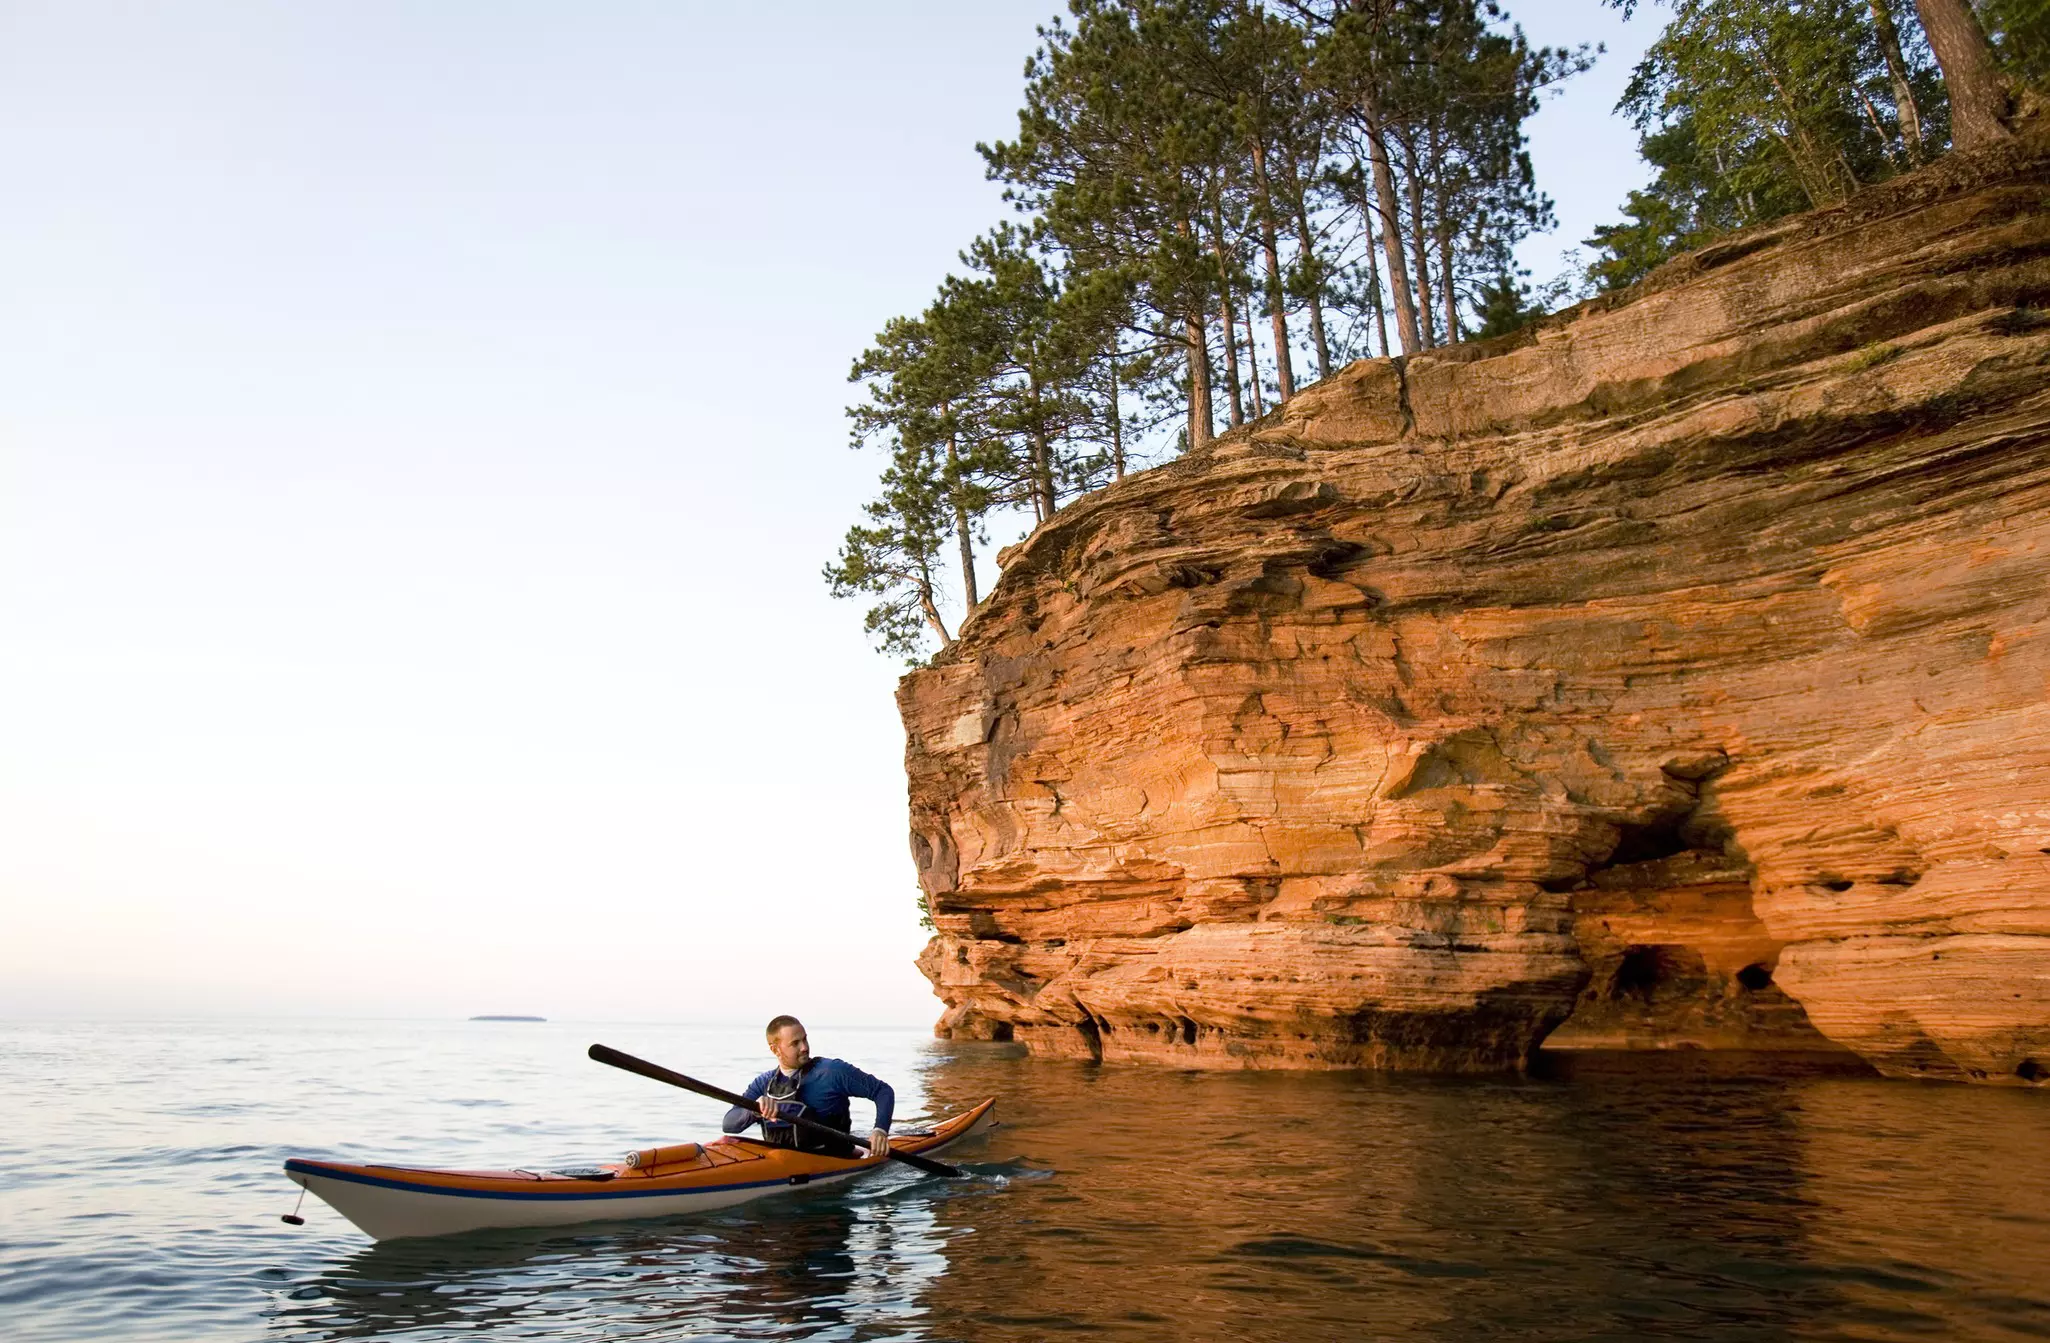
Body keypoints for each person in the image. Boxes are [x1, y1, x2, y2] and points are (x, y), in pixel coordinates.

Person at [722, 1015, 894, 1158]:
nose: (804, 1047)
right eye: (795, 1043)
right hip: (782, 1163)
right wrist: (754, 1110)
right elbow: (729, 1125)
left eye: (804, 1039)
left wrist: (880, 1130)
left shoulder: (832, 1072)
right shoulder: (764, 1083)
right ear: (775, 1050)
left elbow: (883, 1091)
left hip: (836, 1161)